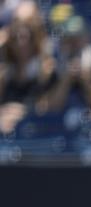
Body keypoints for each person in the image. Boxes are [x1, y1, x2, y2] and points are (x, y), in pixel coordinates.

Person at [35, 15, 91, 121]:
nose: (72, 44)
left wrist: (88, 81)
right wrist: (65, 81)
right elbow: (45, 109)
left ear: (87, 38)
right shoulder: (53, 66)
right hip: (60, 127)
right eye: (68, 38)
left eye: (77, 39)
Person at [0, 1, 55, 134]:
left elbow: (48, 106)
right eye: (15, 38)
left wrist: (24, 112)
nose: (20, 43)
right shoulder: (4, 71)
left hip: (36, 130)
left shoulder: (47, 68)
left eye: (25, 37)